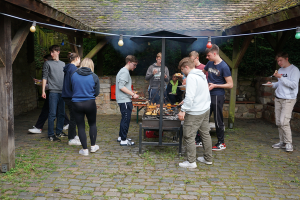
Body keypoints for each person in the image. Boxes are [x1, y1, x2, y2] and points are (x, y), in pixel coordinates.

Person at [177, 57, 212, 168]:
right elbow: (201, 92)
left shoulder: (191, 77)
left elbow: (191, 95)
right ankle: (208, 159)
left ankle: (191, 162)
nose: (183, 73)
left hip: (195, 111)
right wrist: (186, 100)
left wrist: (183, 110)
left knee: (188, 135)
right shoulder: (201, 75)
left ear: (186, 67)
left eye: (183, 70)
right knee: (205, 134)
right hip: (205, 108)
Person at [267, 52, 300, 152]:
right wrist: (272, 85)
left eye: (280, 60)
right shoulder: (280, 70)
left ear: (287, 58)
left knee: (284, 121)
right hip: (278, 98)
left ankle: (289, 143)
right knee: (278, 121)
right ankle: (282, 142)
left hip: (288, 99)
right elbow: (280, 83)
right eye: (277, 61)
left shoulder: (295, 70)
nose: (279, 62)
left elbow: (293, 85)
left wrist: (281, 77)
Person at [28, 54, 70, 134]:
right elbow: (49, 80)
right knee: (56, 109)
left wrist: (42, 85)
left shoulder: (57, 65)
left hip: (54, 91)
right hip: (53, 91)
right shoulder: (53, 66)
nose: (45, 63)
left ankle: (40, 127)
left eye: (45, 61)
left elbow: (52, 81)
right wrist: (41, 82)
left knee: (49, 110)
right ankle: (66, 123)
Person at [203, 44, 233, 151]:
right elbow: (203, 72)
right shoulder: (209, 63)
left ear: (214, 53)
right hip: (208, 94)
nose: (207, 57)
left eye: (208, 55)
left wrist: (215, 85)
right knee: (204, 117)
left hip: (218, 95)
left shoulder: (224, 67)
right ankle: (199, 139)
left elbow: (230, 84)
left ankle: (221, 143)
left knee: (217, 119)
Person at [71, 58, 100, 156]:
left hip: (76, 103)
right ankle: (93, 147)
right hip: (90, 103)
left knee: (80, 126)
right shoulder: (94, 76)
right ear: (92, 66)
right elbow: (96, 92)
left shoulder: (74, 74)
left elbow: (71, 88)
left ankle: (84, 150)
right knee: (92, 124)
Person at [42, 45, 67, 141]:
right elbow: (44, 77)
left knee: (61, 113)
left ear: (58, 52)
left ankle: (59, 132)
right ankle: (51, 135)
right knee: (52, 114)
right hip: (53, 92)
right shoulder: (47, 63)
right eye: (51, 52)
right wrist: (43, 91)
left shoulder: (63, 64)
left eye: (53, 52)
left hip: (62, 92)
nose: (51, 54)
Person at [116, 55, 139, 146]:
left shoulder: (123, 71)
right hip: (124, 100)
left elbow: (123, 86)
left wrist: (131, 91)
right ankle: (123, 140)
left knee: (124, 119)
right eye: (134, 65)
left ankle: (121, 136)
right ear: (129, 62)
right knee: (126, 119)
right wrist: (133, 94)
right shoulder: (125, 72)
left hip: (123, 99)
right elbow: (121, 87)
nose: (135, 67)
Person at [62, 52, 81, 146]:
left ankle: (74, 135)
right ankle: (71, 139)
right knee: (74, 118)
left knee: (74, 117)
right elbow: (74, 84)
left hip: (67, 95)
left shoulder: (68, 67)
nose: (80, 61)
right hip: (71, 96)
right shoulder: (73, 68)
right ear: (77, 58)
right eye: (80, 59)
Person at [189, 51, 208, 148]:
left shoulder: (204, 68)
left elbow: (205, 83)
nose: (191, 61)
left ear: (197, 58)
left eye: (192, 59)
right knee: (194, 121)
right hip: (193, 99)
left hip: (200, 100)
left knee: (200, 123)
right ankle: (196, 139)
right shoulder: (192, 69)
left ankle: (199, 139)